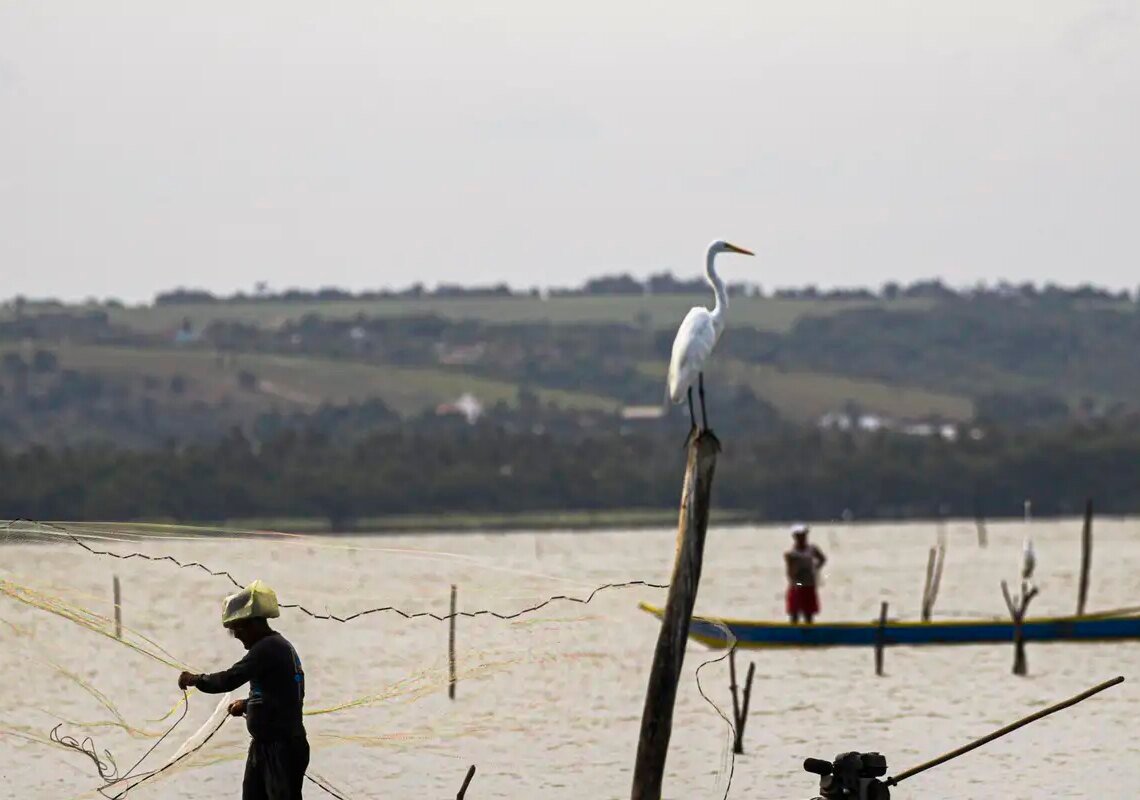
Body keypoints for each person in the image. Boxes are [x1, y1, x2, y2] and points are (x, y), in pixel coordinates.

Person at [178, 580, 308, 800]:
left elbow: (229, 679)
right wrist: (248, 705)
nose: (236, 635)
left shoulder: (267, 648)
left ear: (254, 624)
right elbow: (282, 694)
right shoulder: (276, 647)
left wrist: (195, 679)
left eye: (238, 628)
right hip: (266, 747)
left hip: (281, 748)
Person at [784, 524, 826, 624]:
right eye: (799, 536)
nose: (802, 538)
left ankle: (809, 634)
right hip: (797, 586)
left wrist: (816, 568)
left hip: (809, 585)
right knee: (794, 614)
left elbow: (822, 559)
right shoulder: (791, 554)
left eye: (803, 535)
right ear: (795, 537)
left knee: (809, 614)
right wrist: (797, 583)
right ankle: (793, 634)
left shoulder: (812, 549)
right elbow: (789, 573)